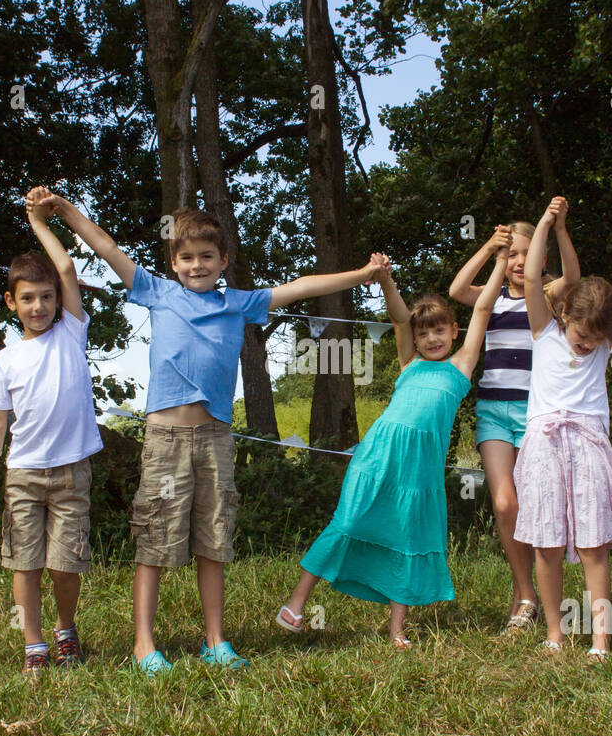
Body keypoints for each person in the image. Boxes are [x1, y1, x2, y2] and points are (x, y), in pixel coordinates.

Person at [34, 190, 383, 673]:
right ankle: (143, 644)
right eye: (186, 257)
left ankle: (215, 640)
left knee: (214, 540)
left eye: (206, 257)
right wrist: (65, 212)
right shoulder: (157, 292)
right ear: (174, 262)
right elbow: (108, 249)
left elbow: (303, 286)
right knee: (154, 540)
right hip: (165, 440)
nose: (196, 265)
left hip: (216, 439)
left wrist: (364, 275)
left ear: (223, 261)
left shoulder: (239, 304)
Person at [277, 239, 511, 648]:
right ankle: (297, 604)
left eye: (440, 330)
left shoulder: (462, 365)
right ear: (415, 341)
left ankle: (397, 628)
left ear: (454, 332)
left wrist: (500, 258)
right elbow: (400, 317)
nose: (433, 338)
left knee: (407, 536)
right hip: (379, 456)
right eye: (425, 334)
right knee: (348, 521)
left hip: (420, 470)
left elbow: (484, 307)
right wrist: (386, 280)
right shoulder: (410, 363)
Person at [0, 187, 104, 681]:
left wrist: (39, 223)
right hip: (23, 475)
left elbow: (68, 269)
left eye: (46, 297)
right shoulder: (4, 361)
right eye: (28, 298)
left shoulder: (72, 331)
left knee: (66, 564)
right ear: (11, 303)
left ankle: (65, 630)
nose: (39, 306)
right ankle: (34, 644)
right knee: (24, 564)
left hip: (72, 471)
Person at [511, 207, 612, 663]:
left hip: (588, 443)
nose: (583, 343)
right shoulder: (543, 331)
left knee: (592, 544)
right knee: (546, 545)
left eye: (593, 337)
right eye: (578, 332)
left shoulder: (602, 343)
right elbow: (532, 280)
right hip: (544, 443)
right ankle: (554, 632)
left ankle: (600, 641)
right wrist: (549, 225)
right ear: (563, 312)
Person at [448, 198, 580, 635]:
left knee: (534, 504)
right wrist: (491, 248)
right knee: (505, 503)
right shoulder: (494, 297)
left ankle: (539, 594)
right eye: (515, 255)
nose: (520, 262)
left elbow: (575, 278)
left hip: (535, 413)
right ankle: (524, 596)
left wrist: (557, 230)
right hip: (492, 411)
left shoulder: (548, 294)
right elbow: (455, 291)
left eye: (528, 253)